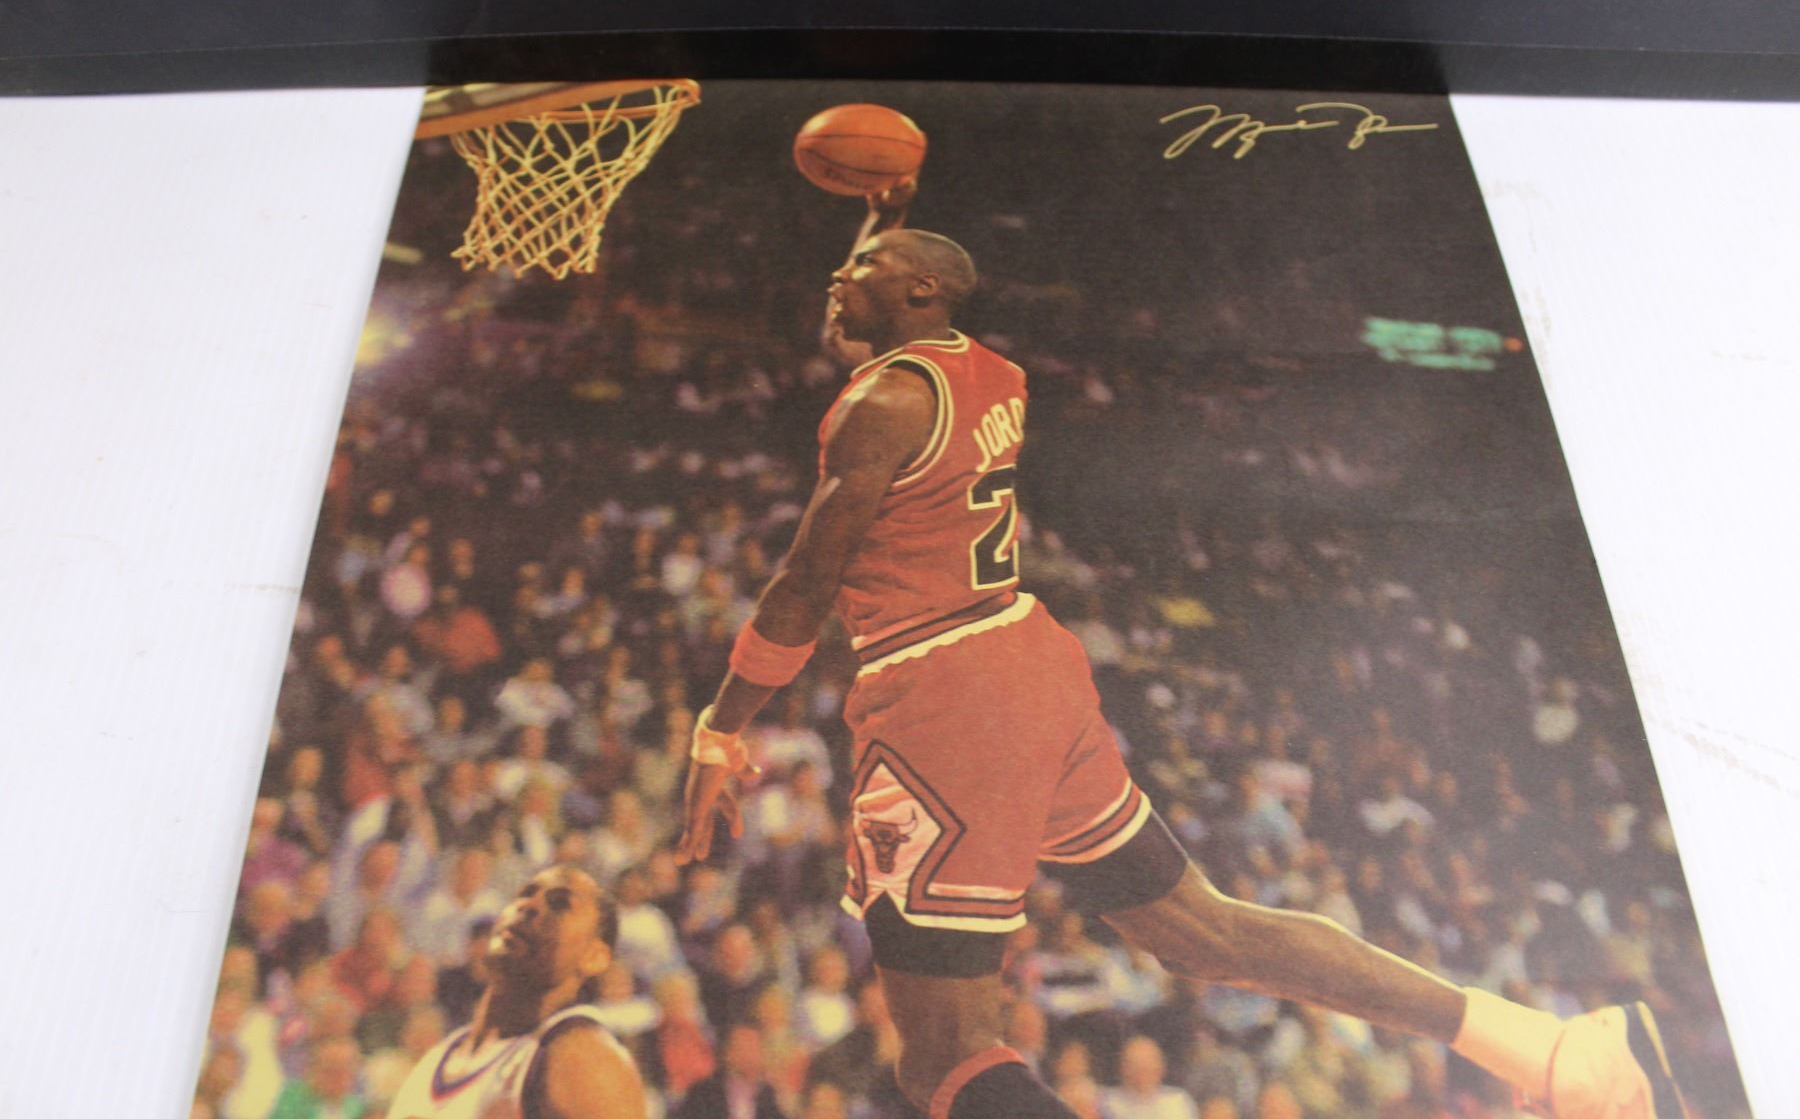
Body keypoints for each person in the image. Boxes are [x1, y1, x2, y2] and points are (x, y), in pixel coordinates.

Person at [675, 180, 1690, 1119]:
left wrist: (722, 729)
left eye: (857, 270)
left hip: (945, 693)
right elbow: (893, 343)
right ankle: (1547, 1048)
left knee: (943, 1056)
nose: (835, 280)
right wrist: (879, 231)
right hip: (1026, 659)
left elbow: (805, 583)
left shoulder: (882, 404)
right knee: (1201, 931)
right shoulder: (986, 373)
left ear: (919, 291)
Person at [384, 865, 646, 1119]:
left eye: (560, 903)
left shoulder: (584, 1059)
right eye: (526, 893)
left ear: (595, 957)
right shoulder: (440, 1055)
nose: (530, 905)